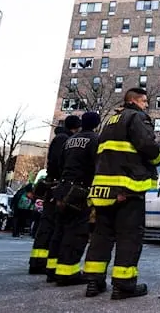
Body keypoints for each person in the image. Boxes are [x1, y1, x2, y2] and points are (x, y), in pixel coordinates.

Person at [83, 88, 160, 300]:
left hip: (103, 189)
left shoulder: (110, 120)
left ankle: (93, 282)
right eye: (144, 101)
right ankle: (123, 285)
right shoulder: (136, 117)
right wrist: (159, 157)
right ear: (135, 101)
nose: (146, 105)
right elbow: (147, 146)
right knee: (129, 237)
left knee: (102, 236)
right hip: (128, 187)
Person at [49, 111, 100, 286]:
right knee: (77, 232)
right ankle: (67, 273)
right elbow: (97, 165)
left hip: (63, 188)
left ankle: (52, 269)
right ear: (96, 124)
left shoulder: (69, 140)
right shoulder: (95, 140)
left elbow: (60, 163)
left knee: (60, 230)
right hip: (80, 190)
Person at [34, 116, 81, 277]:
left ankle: (39, 260)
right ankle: (43, 262)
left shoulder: (60, 138)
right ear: (76, 127)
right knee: (52, 224)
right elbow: (58, 163)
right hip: (56, 185)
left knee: (49, 224)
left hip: (53, 184)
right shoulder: (64, 139)